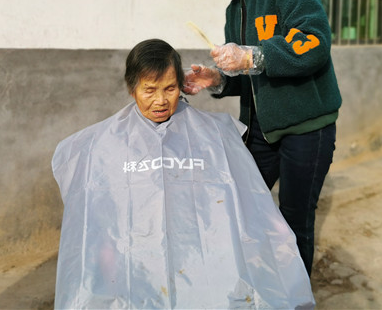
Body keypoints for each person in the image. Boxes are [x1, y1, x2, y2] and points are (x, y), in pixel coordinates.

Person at [51, 39, 314, 309]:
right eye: (149, 90)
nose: (160, 101)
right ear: (132, 88)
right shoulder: (101, 143)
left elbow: (244, 206)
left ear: (182, 85)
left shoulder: (214, 134)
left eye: (170, 88)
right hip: (133, 264)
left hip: (200, 258)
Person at [184, 0, 342, 275]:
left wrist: (253, 56)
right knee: (243, 205)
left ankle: (296, 294)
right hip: (261, 132)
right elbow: (248, 79)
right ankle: (257, 282)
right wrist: (217, 79)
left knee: (294, 219)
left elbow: (315, 41)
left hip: (306, 128)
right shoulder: (234, 10)